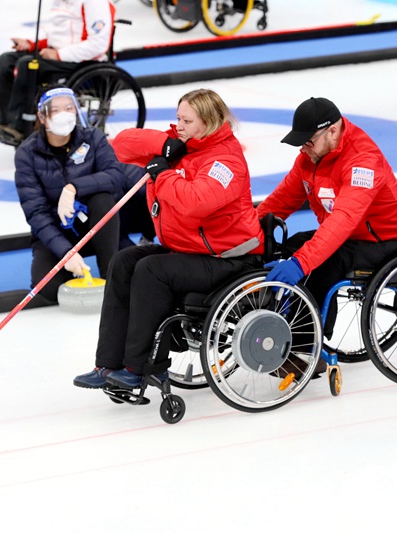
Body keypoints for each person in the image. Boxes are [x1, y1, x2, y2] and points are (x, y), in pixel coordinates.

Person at [73, 88, 265, 390]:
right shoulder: (182, 143)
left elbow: (195, 202)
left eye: (186, 121)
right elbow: (121, 145)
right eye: (177, 119)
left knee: (152, 270)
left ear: (208, 122)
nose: (179, 126)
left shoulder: (225, 161)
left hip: (228, 258)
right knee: (123, 262)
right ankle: (109, 364)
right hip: (189, 249)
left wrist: (163, 174)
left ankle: (143, 368)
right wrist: (165, 143)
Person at [256, 98, 397, 374]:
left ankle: (303, 352)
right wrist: (247, 236)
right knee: (293, 244)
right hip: (355, 237)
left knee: (321, 262)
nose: (302, 148)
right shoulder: (311, 157)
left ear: (333, 131)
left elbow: (343, 219)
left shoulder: (363, 162)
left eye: (308, 142)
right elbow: (280, 201)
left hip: (395, 240)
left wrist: (301, 263)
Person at [14, 86, 131, 303]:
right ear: (42, 116)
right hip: (59, 231)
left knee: (102, 200)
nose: (65, 114)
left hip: (96, 225)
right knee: (50, 289)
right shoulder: (26, 154)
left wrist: (73, 187)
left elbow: (116, 176)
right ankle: (74, 265)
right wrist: (65, 251)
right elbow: (36, 212)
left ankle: (110, 274)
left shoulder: (92, 138)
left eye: (69, 107)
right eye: (56, 110)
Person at [0, 0, 114, 147]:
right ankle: (7, 122)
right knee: (6, 61)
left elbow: (98, 44)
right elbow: (59, 39)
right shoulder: (60, 3)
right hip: (59, 56)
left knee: (27, 65)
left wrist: (59, 54)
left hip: (83, 61)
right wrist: (31, 45)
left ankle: (19, 127)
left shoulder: (95, 3)